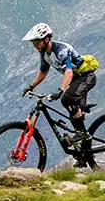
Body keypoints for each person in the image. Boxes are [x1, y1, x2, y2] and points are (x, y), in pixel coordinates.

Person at [21, 23, 98, 163]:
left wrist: (61, 90)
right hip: (76, 80)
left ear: (46, 40)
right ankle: (84, 154)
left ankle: (82, 135)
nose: (35, 46)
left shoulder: (60, 50)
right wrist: (31, 86)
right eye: (33, 43)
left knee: (67, 99)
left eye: (36, 42)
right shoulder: (44, 54)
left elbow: (68, 71)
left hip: (86, 77)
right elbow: (44, 71)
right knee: (76, 117)